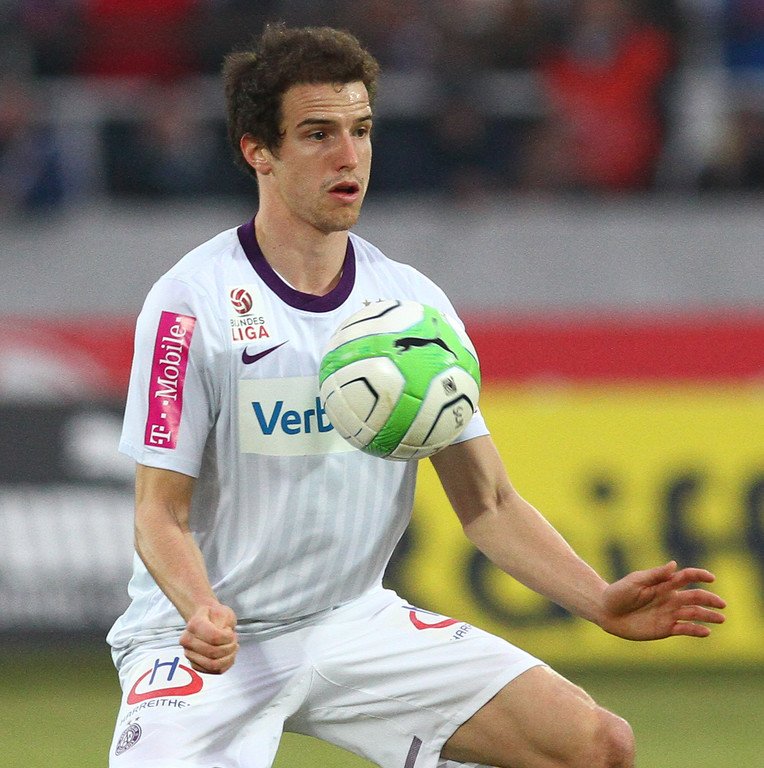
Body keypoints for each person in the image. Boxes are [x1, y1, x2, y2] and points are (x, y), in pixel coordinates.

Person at [107, 23, 726, 768]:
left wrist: (598, 600)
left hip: (351, 622)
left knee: (597, 746)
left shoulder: (410, 306)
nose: (349, 156)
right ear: (257, 150)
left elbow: (488, 503)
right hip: (205, 637)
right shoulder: (191, 303)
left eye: (362, 130)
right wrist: (201, 608)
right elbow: (159, 514)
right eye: (318, 134)